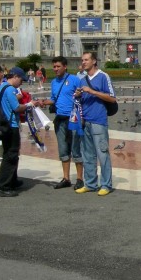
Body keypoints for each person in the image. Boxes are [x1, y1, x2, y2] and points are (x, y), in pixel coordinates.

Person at [75, 52, 117, 196]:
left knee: (102, 153)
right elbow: (80, 100)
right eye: (82, 60)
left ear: (94, 61)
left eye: (86, 60)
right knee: (87, 155)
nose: (83, 62)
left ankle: (106, 184)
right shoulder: (82, 79)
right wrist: (78, 95)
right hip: (85, 121)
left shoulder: (103, 76)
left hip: (99, 121)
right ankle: (90, 183)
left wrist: (92, 91)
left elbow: (112, 98)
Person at [37, 56, 83, 190]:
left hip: (73, 119)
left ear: (65, 66)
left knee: (76, 148)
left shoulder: (75, 80)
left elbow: (82, 97)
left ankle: (80, 178)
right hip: (60, 119)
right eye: (54, 67)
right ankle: (66, 178)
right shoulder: (54, 82)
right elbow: (53, 98)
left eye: (58, 66)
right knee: (63, 149)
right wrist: (45, 102)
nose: (55, 69)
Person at [0, 67, 34, 197]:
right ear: (15, 76)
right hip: (11, 126)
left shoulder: (1, 87)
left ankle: (12, 180)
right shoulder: (10, 89)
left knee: (9, 154)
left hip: (4, 125)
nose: (21, 83)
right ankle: (3, 187)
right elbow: (17, 108)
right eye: (21, 80)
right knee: (10, 156)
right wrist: (30, 104)